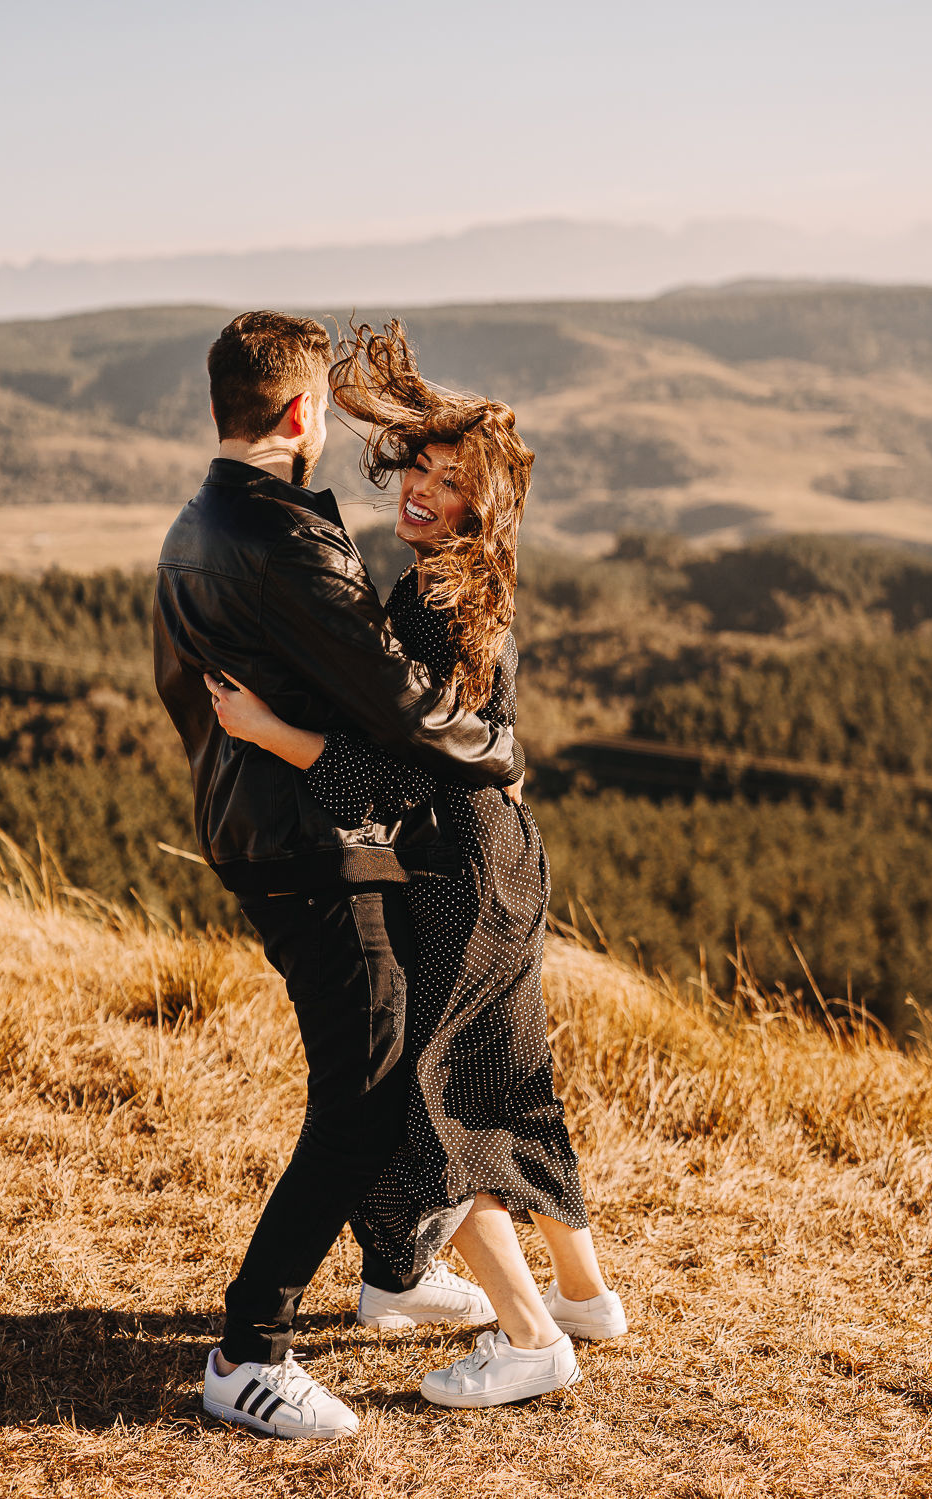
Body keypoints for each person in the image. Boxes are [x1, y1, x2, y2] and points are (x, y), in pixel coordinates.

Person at [207, 320, 626, 1413]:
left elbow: (390, 776)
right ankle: (586, 1296)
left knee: (425, 1102)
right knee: (506, 1079)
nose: (426, 493)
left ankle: (532, 1337)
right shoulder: (479, 587)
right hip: (507, 862)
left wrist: (270, 734)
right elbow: (492, 747)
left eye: (453, 484)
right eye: (424, 470)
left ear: (482, 508)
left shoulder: (424, 599)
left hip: (452, 872)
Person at [154, 311, 529, 1441]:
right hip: (312, 845)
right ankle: (248, 1352)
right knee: (365, 1101)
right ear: (303, 414)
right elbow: (399, 703)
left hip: (259, 830)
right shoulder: (287, 539)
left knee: (370, 1071)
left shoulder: (194, 522)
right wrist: (501, 747)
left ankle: (393, 1269)